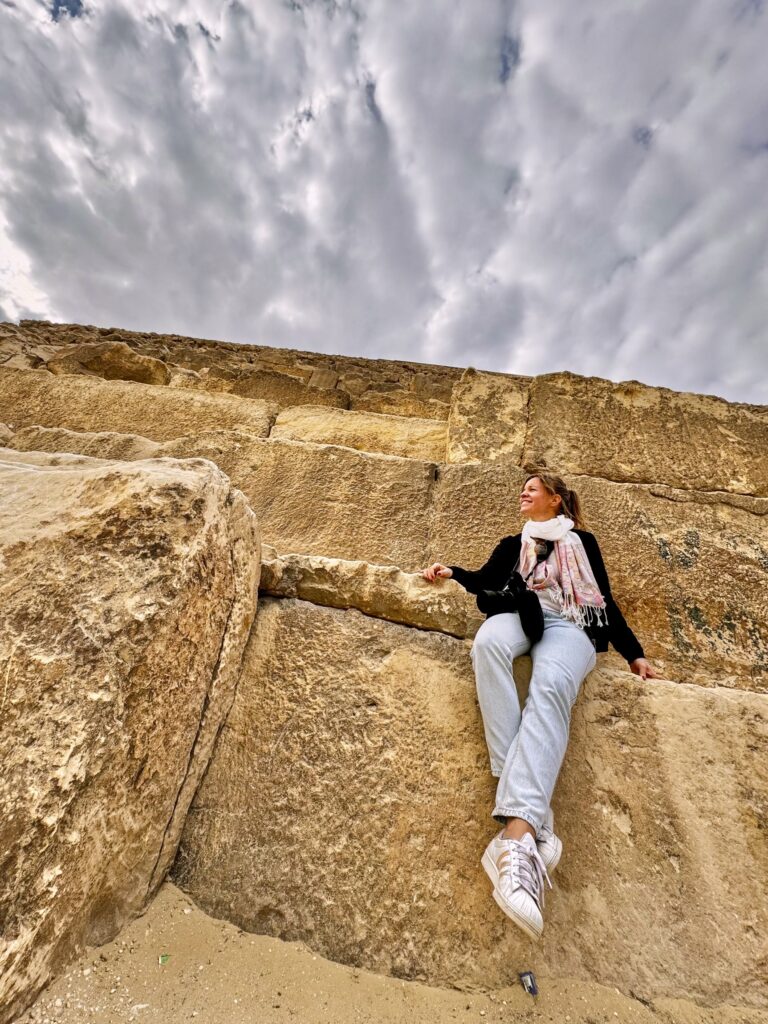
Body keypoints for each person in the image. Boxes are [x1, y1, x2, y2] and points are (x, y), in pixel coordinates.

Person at [421, 471, 658, 940]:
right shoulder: (515, 542)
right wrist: (452, 573)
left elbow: (602, 602)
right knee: (487, 644)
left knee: (549, 685)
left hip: (571, 624)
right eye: (522, 489)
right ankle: (531, 811)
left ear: (555, 499)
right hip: (523, 617)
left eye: (533, 488)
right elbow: (486, 580)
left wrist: (634, 653)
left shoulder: (581, 541)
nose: (523, 493)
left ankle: (516, 837)